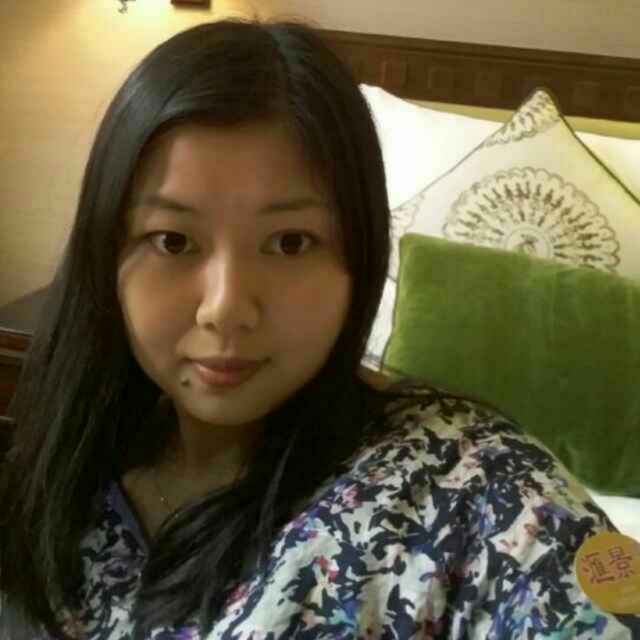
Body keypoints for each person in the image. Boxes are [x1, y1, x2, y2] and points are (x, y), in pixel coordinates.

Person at [0, 18, 638, 640]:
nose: (225, 308)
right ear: (106, 251)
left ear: (358, 255)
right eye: (173, 240)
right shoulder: (67, 458)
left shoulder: (478, 492)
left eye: (289, 242)